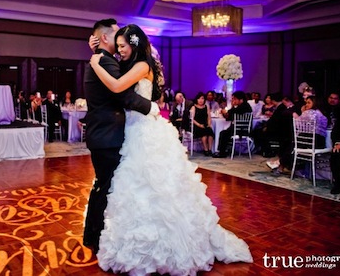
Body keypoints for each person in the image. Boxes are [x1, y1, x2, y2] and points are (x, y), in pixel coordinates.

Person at [89, 24, 252, 275]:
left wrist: (96, 62)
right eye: (118, 45)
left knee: (155, 187)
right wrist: (99, 51)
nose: (119, 50)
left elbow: (118, 86)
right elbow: (118, 76)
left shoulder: (142, 65)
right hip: (132, 130)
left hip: (144, 131)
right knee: (134, 187)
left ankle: (165, 245)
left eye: (123, 46)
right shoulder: (131, 64)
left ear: (134, 44)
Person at [83, 19, 158, 254]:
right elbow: (124, 96)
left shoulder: (108, 60)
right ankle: (96, 238)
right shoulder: (105, 62)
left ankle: (95, 235)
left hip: (112, 134)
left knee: (110, 186)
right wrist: (151, 108)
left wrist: (95, 53)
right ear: (106, 38)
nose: (119, 42)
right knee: (107, 188)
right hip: (108, 135)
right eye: (115, 36)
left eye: (124, 42)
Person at [212, 91, 253, 158]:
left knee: (223, 133)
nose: (233, 100)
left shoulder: (240, 107)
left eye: (234, 99)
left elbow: (229, 116)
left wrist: (231, 107)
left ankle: (222, 152)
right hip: (244, 129)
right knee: (225, 132)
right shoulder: (247, 106)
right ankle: (225, 150)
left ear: (241, 99)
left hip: (239, 130)